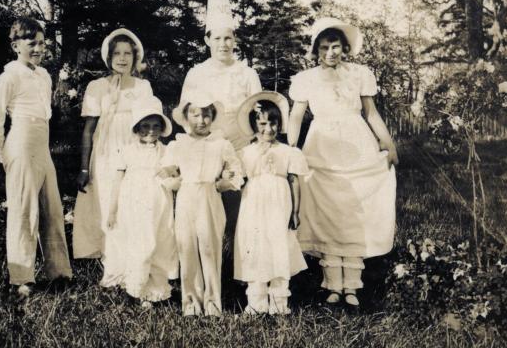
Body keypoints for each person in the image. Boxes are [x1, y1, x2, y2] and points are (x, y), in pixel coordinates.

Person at [286, 17, 399, 309]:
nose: (331, 52)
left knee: (353, 209)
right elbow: (297, 116)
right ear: (316, 50)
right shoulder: (306, 79)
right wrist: (291, 148)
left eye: (336, 46)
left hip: (356, 143)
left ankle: (353, 286)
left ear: (345, 47)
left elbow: (371, 113)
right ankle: (332, 285)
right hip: (322, 145)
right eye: (324, 47)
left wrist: (388, 144)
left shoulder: (359, 74)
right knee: (328, 210)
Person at [180, 0, 262, 287]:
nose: (225, 43)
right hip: (206, 150)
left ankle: (246, 276)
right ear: (207, 41)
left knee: (244, 214)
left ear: (235, 40)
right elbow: (186, 116)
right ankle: (208, 275)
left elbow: (259, 114)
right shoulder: (196, 73)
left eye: (230, 37)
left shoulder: (247, 72)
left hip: (241, 148)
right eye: (218, 37)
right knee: (207, 216)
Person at [0, 16, 73, 298]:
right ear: (15, 46)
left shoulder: (44, 75)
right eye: (31, 43)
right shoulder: (7, 77)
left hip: (41, 144)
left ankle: (59, 272)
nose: (38, 48)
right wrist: (3, 154)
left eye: (41, 43)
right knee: (24, 211)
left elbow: (44, 114)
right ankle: (21, 277)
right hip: (20, 144)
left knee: (52, 208)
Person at [72, 29, 153, 285]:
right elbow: (89, 130)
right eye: (117, 53)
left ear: (135, 57)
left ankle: (134, 266)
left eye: (127, 53)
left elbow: (148, 125)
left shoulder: (143, 87)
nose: (122, 58)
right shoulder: (97, 87)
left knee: (132, 205)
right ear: (108, 57)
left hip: (133, 151)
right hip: (106, 153)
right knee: (108, 205)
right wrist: (84, 168)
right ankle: (112, 267)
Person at [162, 92, 244, 316]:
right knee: (186, 246)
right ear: (186, 117)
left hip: (210, 196)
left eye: (206, 115)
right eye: (195, 115)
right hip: (187, 195)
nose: (201, 120)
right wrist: (174, 182)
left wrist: (223, 183)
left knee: (210, 247)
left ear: (213, 117)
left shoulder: (220, 144)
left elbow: (237, 172)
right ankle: (191, 301)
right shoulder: (178, 145)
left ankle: (212, 302)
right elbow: (164, 172)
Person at [233, 92, 309, 315]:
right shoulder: (244, 153)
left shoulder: (288, 152)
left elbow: (294, 181)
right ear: (253, 125)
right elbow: (239, 179)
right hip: (254, 206)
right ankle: (256, 303)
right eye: (263, 123)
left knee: (279, 245)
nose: (268, 129)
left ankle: (279, 303)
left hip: (279, 205)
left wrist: (295, 211)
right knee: (256, 246)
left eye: (273, 123)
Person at [106, 96, 179, 306]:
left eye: (156, 126)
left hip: (158, 203)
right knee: (139, 243)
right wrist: (112, 211)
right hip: (134, 203)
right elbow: (117, 182)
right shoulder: (127, 151)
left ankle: (155, 291)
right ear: (137, 128)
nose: (151, 131)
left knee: (160, 242)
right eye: (145, 126)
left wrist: (170, 172)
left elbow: (173, 175)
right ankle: (135, 289)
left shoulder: (166, 151)